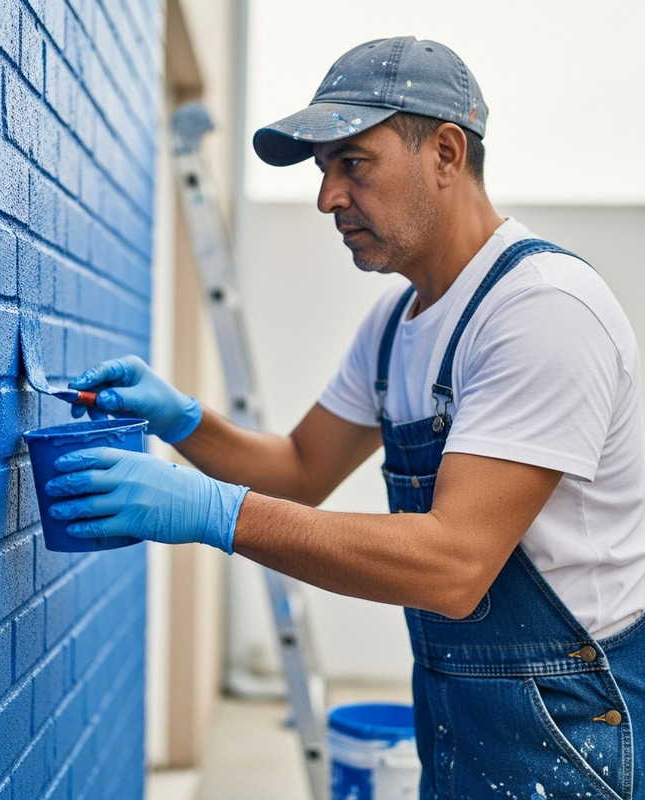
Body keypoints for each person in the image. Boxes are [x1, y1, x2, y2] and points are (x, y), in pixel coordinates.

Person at [44, 36, 645, 798]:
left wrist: (211, 512)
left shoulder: (542, 312)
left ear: (447, 153)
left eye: (352, 163)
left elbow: (455, 566)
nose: (327, 197)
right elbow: (300, 470)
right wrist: (181, 421)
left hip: (573, 734)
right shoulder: (397, 325)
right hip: (459, 719)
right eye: (324, 170)